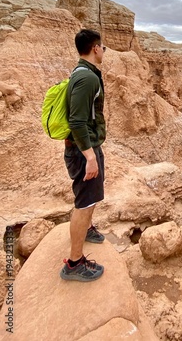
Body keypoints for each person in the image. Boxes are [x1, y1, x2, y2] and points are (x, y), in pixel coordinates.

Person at [59, 29, 107, 282]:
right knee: (85, 202)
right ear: (95, 49)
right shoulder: (88, 78)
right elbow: (77, 121)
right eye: (103, 48)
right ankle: (74, 263)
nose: (104, 52)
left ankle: (87, 229)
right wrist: (89, 156)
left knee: (91, 196)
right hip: (82, 150)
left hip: (86, 146)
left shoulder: (84, 73)